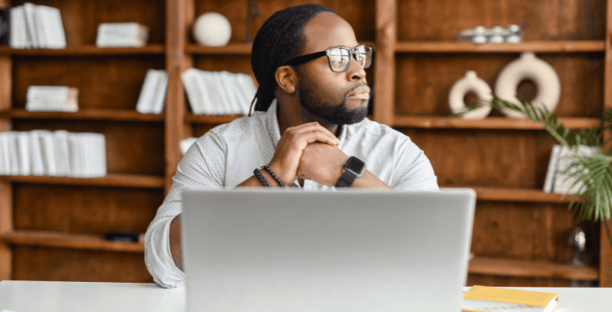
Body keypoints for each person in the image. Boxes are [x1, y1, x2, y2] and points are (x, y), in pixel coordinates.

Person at [144, 4, 439, 288]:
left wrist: (346, 173)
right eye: (338, 57)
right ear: (287, 78)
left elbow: (436, 257)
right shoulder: (220, 149)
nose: (359, 71)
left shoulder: (397, 151)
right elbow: (163, 264)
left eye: (358, 55)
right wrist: (269, 178)